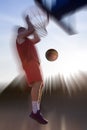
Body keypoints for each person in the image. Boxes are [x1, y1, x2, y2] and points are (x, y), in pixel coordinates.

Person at [16, 15, 48, 124]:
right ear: (20, 32)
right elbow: (30, 30)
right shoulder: (20, 37)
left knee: (39, 86)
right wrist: (28, 21)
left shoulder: (28, 41)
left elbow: (38, 38)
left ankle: (36, 111)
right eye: (23, 30)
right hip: (29, 64)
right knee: (37, 84)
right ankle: (35, 112)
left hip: (35, 64)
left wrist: (33, 29)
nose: (25, 32)